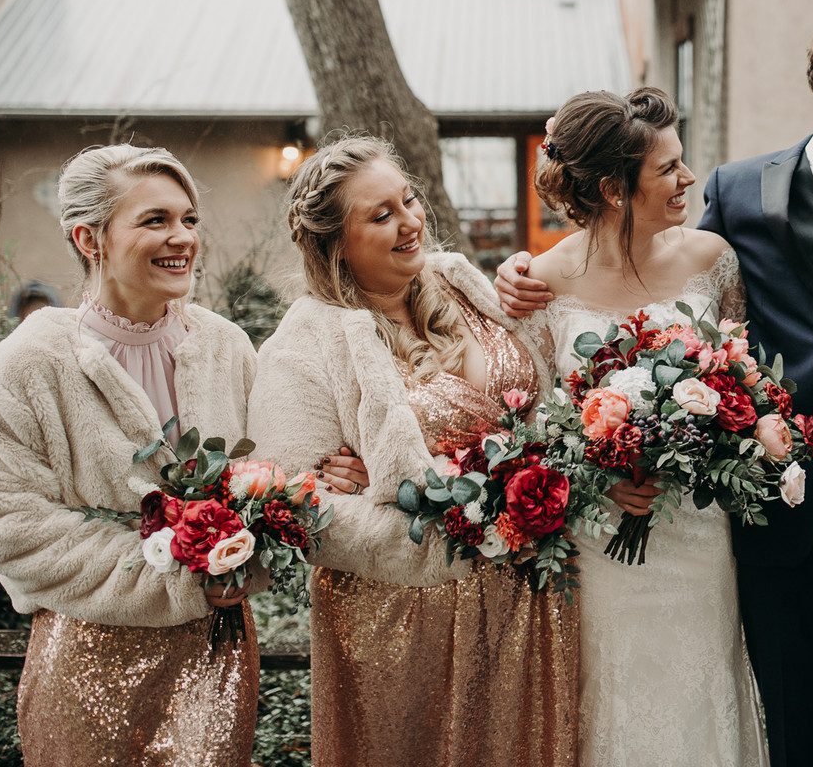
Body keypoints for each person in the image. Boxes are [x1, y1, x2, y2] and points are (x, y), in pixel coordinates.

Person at [499, 17, 813, 767]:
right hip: (764, 517)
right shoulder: (738, 195)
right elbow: (571, 372)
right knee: (788, 728)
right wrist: (517, 274)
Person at [245, 135, 577, 767]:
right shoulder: (304, 344)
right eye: (381, 215)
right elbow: (290, 501)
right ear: (333, 243)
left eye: (410, 199)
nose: (410, 222)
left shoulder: (459, 284)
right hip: (404, 615)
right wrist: (428, 523)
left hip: (530, 590)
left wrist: (538, 491)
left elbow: (543, 401)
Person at [0, 144, 261, 766]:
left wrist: (318, 486)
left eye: (189, 219)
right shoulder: (23, 369)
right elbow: (9, 526)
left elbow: (275, 472)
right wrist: (176, 576)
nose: (181, 237)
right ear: (89, 238)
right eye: (155, 220)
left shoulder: (227, 348)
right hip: (89, 664)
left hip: (218, 657)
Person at [514, 87, 767, 767]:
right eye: (668, 169)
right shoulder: (543, 279)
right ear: (613, 188)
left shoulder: (712, 260)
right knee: (612, 693)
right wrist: (598, 480)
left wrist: (719, 435)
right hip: (601, 547)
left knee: (699, 681)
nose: (688, 180)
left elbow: (743, 380)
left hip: (697, 532)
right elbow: (532, 421)